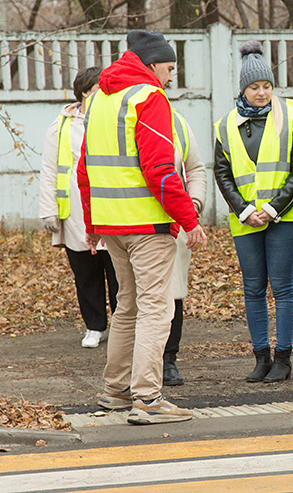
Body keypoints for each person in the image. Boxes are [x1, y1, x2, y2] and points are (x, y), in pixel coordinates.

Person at [77, 30, 207, 425]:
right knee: (157, 308)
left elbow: (84, 167)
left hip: (112, 224)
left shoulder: (99, 97)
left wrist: (92, 223)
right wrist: (190, 219)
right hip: (148, 225)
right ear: (151, 64)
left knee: (128, 308)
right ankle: (148, 399)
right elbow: (161, 170)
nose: (171, 77)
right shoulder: (149, 98)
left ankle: (114, 391)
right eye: (169, 68)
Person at [215, 42, 293, 383]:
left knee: (282, 287)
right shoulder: (226, 125)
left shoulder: (290, 117)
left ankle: (283, 358)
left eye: (266, 86)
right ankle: (261, 358)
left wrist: (270, 209)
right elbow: (222, 173)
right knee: (253, 289)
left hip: (283, 217)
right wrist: (243, 211)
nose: (262, 93)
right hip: (246, 221)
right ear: (243, 89)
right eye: (255, 87)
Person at [38, 66, 118, 349]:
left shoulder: (115, 118)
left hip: (112, 203)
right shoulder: (62, 125)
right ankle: (94, 326)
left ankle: (123, 326)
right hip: (75, 211)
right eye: (98, 88)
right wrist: (48, 210)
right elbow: (49, 169)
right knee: (85, 270)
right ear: (84, 92)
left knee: (117, 267)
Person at [162, 106, 207, 386]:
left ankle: (168, 360)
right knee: (133, 298)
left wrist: (193, 205)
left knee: (174, 293)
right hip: (130, 225)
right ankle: (137, 362)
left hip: (174, 223)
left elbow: (196, 168)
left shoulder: (176, 121)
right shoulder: (118, 115)